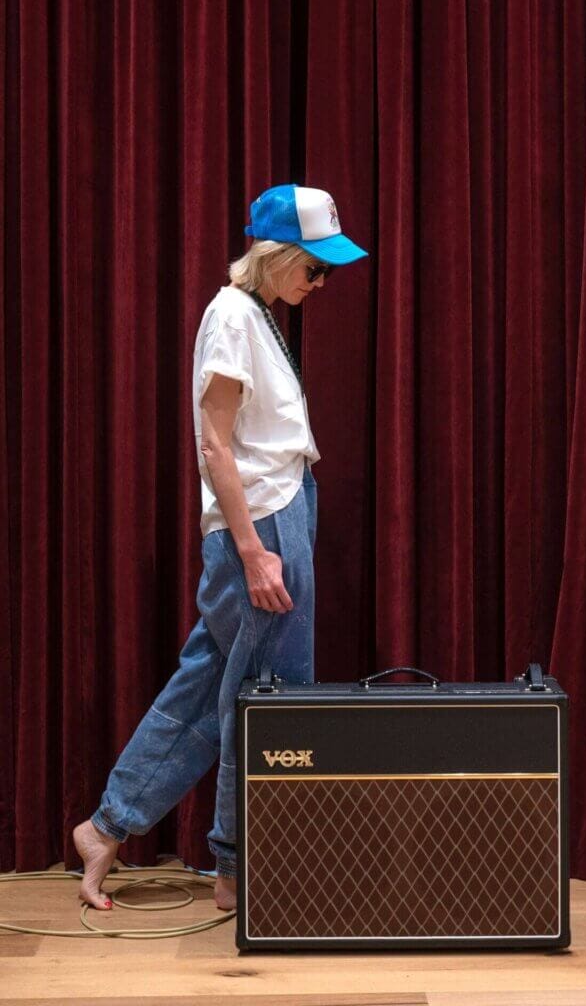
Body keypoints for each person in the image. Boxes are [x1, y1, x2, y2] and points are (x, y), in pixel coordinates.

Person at [72, 184, 368, 911]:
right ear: (276, 255)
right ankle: (239, 867)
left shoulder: (255, 315)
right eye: (315, 267)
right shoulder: (234, 315)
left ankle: (108, 826)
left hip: (279, 509)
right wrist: (254, 550)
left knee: (212, 682)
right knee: (269, 694)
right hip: (262, 521)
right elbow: (215, 444)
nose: (321, 282)